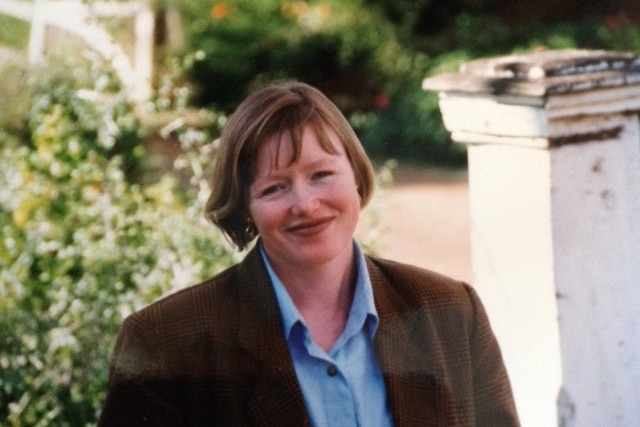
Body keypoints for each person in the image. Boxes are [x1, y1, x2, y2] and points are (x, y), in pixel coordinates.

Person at [98, 81, 520, 426]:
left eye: (321, 174)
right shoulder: (165, 344)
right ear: (246, 207)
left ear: (355, 175)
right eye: (275, 188)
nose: (305, 204)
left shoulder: (451, 313)